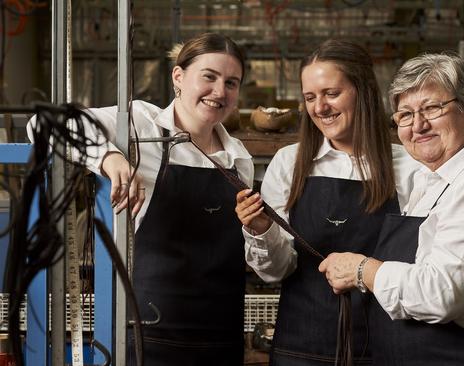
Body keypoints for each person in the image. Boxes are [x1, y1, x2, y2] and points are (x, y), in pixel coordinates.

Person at [318, 52, 464, 366]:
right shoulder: (434, 176)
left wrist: (361, 270)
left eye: (432, 107)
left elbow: (441, 293)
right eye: (404, 114)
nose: (418, 125)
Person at [30, 33, 253, 365]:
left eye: (231, 83)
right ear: (178, 77)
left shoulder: (239, 159)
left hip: (221, 338)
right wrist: (109, 157)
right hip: (148, 334)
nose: (220, 92)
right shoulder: (138, 124)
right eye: (209, 76)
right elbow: (46, 123)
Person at [235, 39, 421, 365]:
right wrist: (262, 230)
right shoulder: (289, 163)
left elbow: (420, 270)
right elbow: (275, 271)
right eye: (310, 97)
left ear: (363, 91)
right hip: (300, 346)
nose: (320, 107)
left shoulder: (409, 166)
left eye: (331, 93)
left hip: (383, 348)